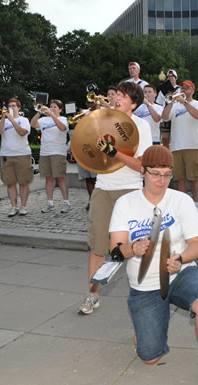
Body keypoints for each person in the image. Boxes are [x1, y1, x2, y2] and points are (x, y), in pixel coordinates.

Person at [108, 145, 198, 385]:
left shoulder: (181, 200)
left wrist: (181, 259)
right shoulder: (125, 203)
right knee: (150, 357)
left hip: (180, 272)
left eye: (167, 174)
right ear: (142, 171)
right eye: (155, 173)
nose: (161, 181)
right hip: (145, 282)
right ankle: (147, 326)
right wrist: (133, 249)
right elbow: (116, 250)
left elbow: (197, 244)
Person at [78, 81, 152, 315]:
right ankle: (92, 295)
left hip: (129, 192)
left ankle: (146, 295)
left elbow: (142, 166)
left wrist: (115, 152)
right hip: (102, 189)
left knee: (136, 247)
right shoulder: (101, 120)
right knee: (97, 246)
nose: (117, 97)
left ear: (134, 103)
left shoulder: (141, 126)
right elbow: (86, 153)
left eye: (123, 95)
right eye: (117, 94)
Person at [161, 80, 198, 211]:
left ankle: (196, 204)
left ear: (193, 90)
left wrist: (184, 102)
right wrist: (170, 102)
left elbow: (197, 115)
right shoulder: (174, 105)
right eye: (182, 88)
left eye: (187, 88)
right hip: (176, 146)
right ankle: (183, 205)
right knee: (180, 178)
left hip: (193, 145)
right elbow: (164, 117)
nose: (184, 90)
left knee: (195, 177)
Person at [31, 99, 70, 214]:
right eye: (51, 106)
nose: (52, 108)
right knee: (48, 178)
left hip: (58, 152)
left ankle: (66, 202)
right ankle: (50, 202)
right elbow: (33, 124)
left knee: (60, 177)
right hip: (45, 152)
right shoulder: (43, 120)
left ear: (60, 109)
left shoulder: (63, 119)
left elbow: (62, 128)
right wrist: (39, 112)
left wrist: (52, 114)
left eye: (55, 107)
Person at [0, 98, 32, 217]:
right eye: (9, 106)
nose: (11, 108)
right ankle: (13, 206)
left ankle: (23, 206)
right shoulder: (3, 121)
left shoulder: (24, 120)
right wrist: (3, 118)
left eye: (13, 106)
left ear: (19, 108)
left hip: (22, 153)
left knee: (23, 182)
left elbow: (22, 133)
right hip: (6, 154)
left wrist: (11, 119)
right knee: (10, 182)